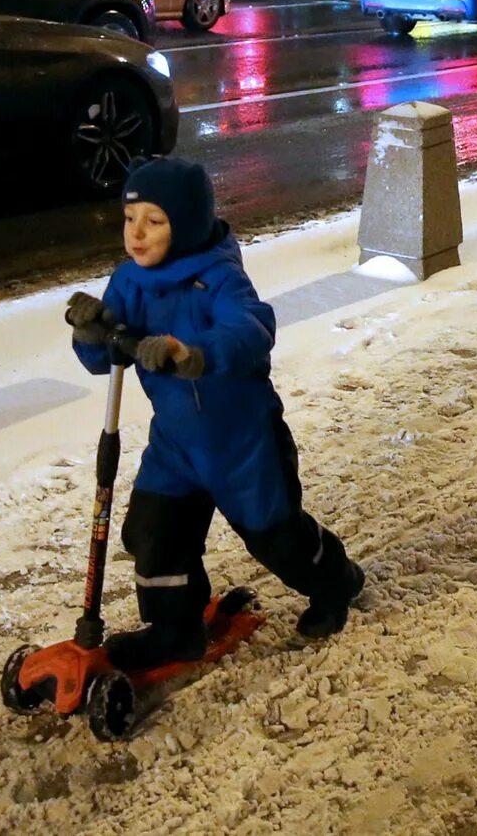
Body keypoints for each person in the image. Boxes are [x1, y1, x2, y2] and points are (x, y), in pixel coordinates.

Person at [65, 158, 364, 670]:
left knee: (274, 535)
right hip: (177, 444)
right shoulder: (129, 281)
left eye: (154, 221)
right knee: (155, 536)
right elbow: (105, 358)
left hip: (242, 442)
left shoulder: (218, 278)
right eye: (129, 218)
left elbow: (251, 328)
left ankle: (336, 582)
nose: (136, 233)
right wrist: (92, 332)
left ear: (184, 225)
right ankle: (175, 631)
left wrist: (192, 352)